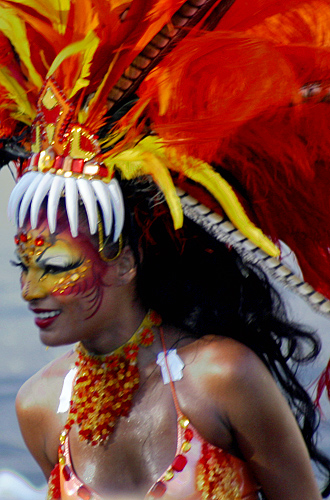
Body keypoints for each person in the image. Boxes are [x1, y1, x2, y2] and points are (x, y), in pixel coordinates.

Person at [2, 0, 330, 499]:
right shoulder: (39, 408)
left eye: (55, 266)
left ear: (125, 262)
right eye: (23, 267)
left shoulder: (222, 376)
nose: (30, 290)